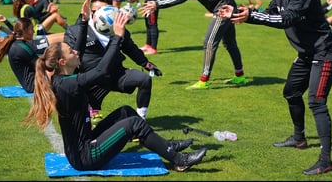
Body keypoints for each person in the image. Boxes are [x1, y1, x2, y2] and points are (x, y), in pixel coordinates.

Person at [24, 10, 207, 172]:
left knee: (126, 112)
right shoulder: (68, 85)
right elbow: (101, 71)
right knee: (134, 124)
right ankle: (179, 161)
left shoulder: (63, 78)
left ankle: (167, 146)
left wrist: (83, 20)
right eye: (71, 52)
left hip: (87, 143)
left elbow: (79, 49)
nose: (77, 52)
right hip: (86, 156)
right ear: (62, 62)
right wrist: (117, 37)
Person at [218, 0, 332, 175]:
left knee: (316, 102)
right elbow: (272, 12)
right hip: (306, 54)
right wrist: (239, 13)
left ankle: (326, 160)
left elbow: (285, 19)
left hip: (324, 53)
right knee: (291, 92)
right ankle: (298, 138)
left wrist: (252, 15)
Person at [141, 0, 246, 90]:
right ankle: (240, 76)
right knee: (230, 43)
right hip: (226, 7)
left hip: (223, 9)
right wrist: (157, 3)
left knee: (209, 43)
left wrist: (157, 4)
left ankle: (204, 80)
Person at [64, 0, 162, 119]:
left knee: (144, 80)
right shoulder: (76, 31)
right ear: (90, 12)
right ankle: (90, 109)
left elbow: (130, 48)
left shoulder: (119, 29)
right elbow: (71, 58)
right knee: (87, 122)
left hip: (115, 74)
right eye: (96, 11)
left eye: (104, 10)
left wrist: (146, 64)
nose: (100, 15)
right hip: (91, 79)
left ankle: (141, 118)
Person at [0, 17, 64, 92]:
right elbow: (41, 65)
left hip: (34, 82)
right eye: (32, 29)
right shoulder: (21, 48)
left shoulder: (17, 44)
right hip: (34, 85)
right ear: (26, 31)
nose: (34, 31)